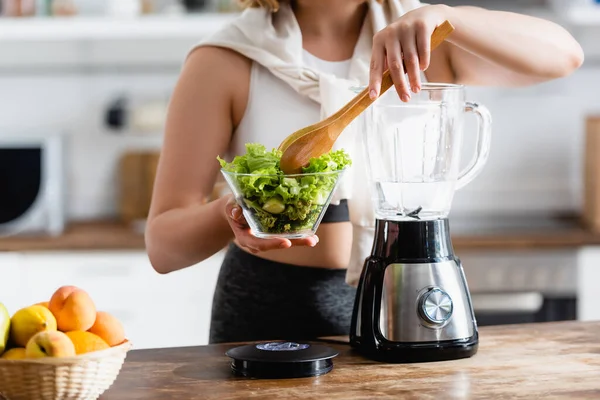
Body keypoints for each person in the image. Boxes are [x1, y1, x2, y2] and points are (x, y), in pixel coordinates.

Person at [145, 0, 583, 344]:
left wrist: (448, 16)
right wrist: (239, 207)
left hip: (402, 288)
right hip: (267, 307)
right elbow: (163, 246)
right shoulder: (225, 59)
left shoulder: (425, 42)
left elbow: (564, 55)